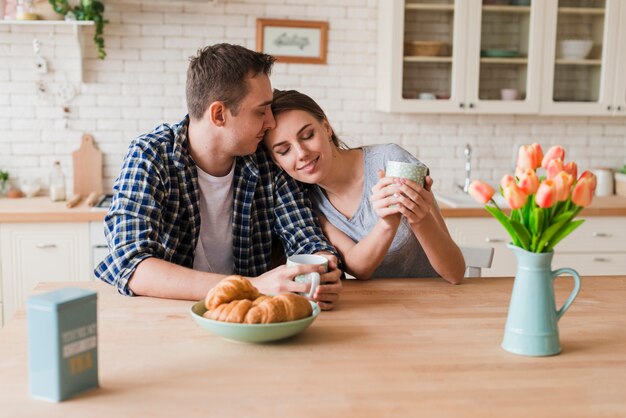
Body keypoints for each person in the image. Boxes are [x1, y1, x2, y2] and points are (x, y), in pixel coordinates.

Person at [95, 44, 342, 310]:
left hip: (248, 318)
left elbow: (304, 236)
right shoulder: (151, 155)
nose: (270, 122)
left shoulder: (265, 160)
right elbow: (132, 265)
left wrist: (322, 263)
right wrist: (252, 286)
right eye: (261, 111)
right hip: (168, 317)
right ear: (219, 114)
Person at [263, 89, 465, 283]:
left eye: (307, 136)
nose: (301, 153)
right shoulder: (307, 202)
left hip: (437, 300)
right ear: (277, 161)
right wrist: (387, 222)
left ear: (326, 127)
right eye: (284, 150)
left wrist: (419, 218)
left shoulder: (391, 162)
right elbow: (360, 269)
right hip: (378, 306)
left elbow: (454, 273)